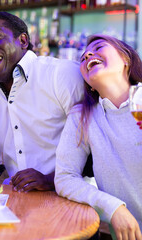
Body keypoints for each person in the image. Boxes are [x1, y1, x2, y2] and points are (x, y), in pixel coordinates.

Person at [0, 11, 85, 191]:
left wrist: (51, 180)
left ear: (23, 41)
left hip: (73, 199)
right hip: (19, 202)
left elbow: (96, 150)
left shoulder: (63, 75)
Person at [55, 34, 142, 240]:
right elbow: (65, 177)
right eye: (83, 58)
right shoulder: (82, 117)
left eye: (99, 47)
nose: (88, 55)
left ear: (126, 60)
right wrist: (113, 208)